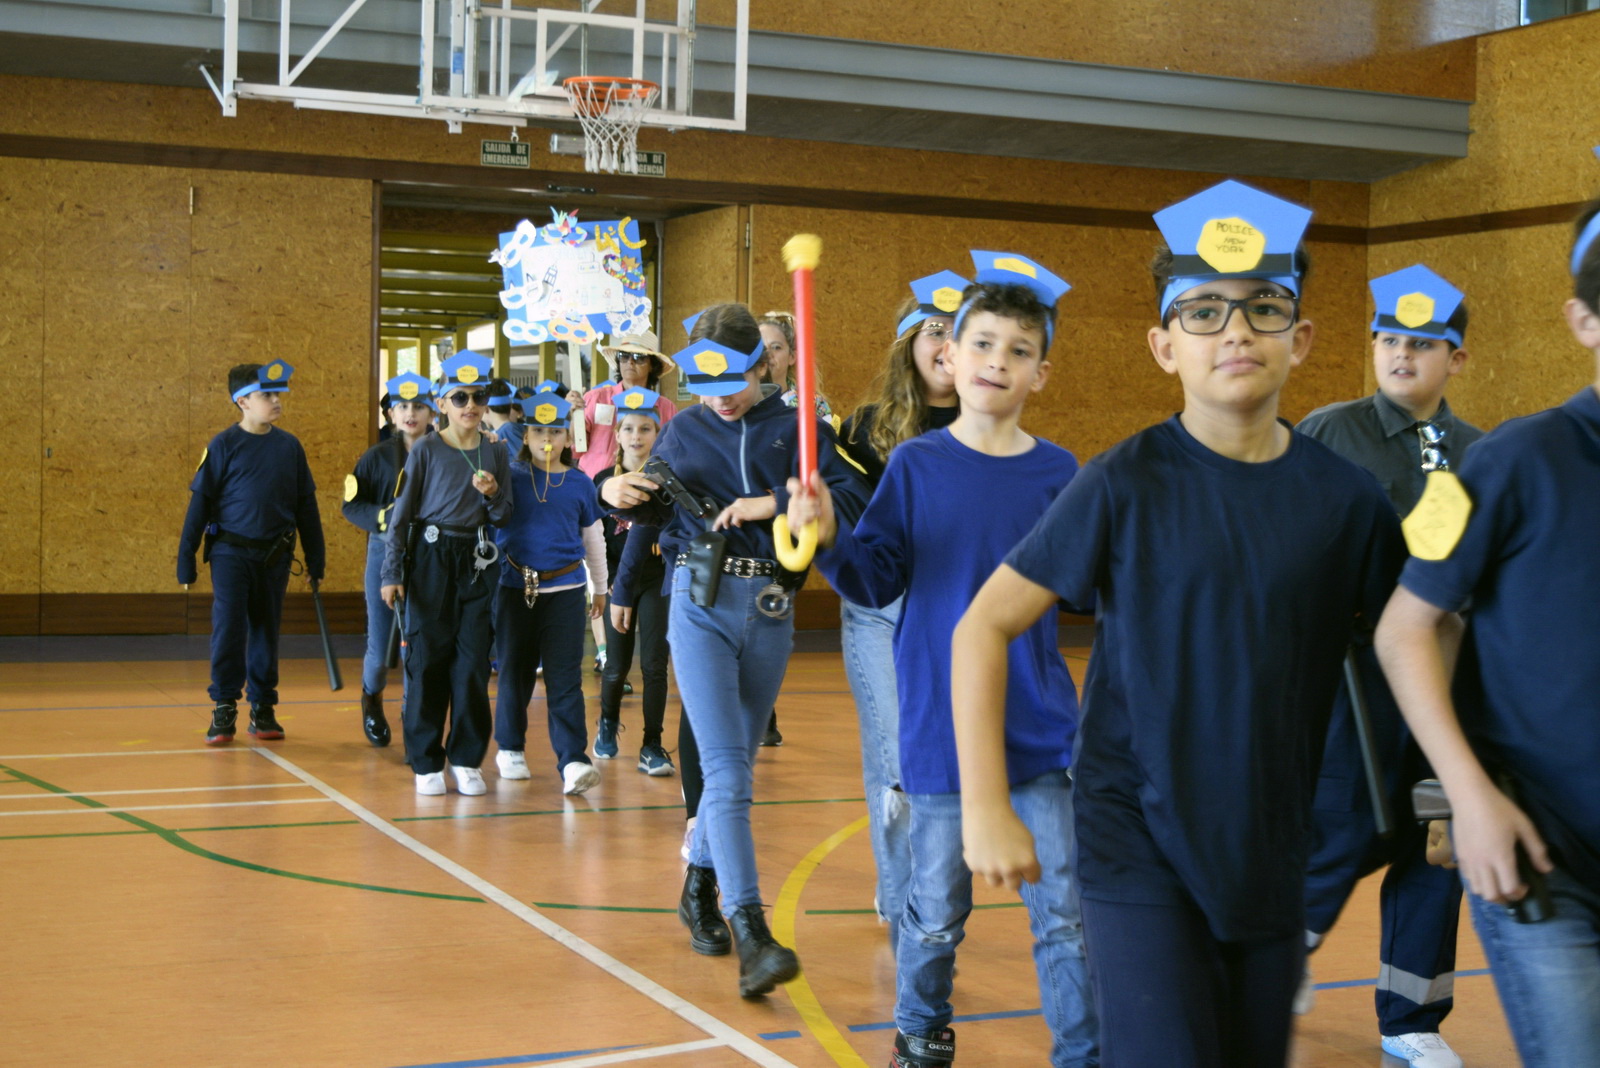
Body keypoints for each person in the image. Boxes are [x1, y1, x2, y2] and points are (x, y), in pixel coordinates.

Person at [951, 181, 1406, 1068]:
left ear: (1302, 338)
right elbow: (982, 627)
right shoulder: (1124, 481)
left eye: (1264, 308)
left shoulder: (1346, 501)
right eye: (1203, 312)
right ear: (1165, 346)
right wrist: (984, 806)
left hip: (1271, 842)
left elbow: (1412, 640)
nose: (1235, 331)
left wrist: (1454, 788)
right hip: (1134, 833)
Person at [790, 253, 1096, 1068]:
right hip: (937, 724)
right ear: (949, 356)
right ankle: (921, 1032)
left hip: (1038, 725)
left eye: (1019, 350)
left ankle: (1082, 1052)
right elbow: (874, 577)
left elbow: (1085, 587)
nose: (997, 361)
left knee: (1066, 916)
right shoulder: (916, 465)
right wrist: (830, 538)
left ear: (1041, 372)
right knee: (932, 914)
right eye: (982, 344)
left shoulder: (1060, 472)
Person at [1373, 192, 1600, 1068]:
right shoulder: (1508, 459)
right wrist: (1465, 795)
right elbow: (1408, 626)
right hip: (1543, 855)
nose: (1404, 353)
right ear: (1582, 322)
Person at [603, 304, 868, 998]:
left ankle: (697, 886)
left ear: (762, 366)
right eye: (704, 384)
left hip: (772, 606)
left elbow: (852, 497)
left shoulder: (800, 429)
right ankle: (750, 926)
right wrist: (613, 489)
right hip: (699, 602)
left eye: (733, 382)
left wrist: (774, 502)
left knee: (735, 768)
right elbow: (651, 505)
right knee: (725, 768)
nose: (719, 398)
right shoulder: (685, 428)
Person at [1294, 264, 1482, 1068]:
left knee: (1436, 843)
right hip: (1350, 676)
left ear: (1456, 358)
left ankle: (1413, 1016)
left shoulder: (1482, 452)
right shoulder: (1328, 432)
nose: (1402, 355)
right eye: (1389, 339)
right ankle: (1284, 945)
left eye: (1423, 343)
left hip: (1448, 674)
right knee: (1341, 821)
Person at [833, 268, 966, 956]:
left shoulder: (987, 423)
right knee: (896, 762)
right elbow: (862, 538)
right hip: (883, 610)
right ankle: (903, 899)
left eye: (962, 330)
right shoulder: (863, 430)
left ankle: (932, 896)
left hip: (960, 612)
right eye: (935, 330)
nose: (949, 343)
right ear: (908, 344)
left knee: (949, 761)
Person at [380, 351, 513, 796]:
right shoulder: (427, 450)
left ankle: (467, 759)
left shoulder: (496, 450)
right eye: (460, 397)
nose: (470, 405)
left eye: (478, 397)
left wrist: (492, 494)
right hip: (432, 558)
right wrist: (392, 571)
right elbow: (402, 515)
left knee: (473, 662)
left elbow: (505, 514)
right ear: (442, 404)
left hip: (477, 558)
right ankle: (426, 760)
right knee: (428, 660)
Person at [178, 360, 327, 746]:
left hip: (275, 555)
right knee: (230, 627)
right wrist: (186, 555)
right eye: (267, 395)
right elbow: (200, 503)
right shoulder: (223, 445)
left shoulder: (289, 447)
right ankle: (225, 704)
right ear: (242, 401)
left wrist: (316, 557)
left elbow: (306, 507)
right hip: (231, 552)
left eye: (278, 394)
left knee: (265, 629)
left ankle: (263, 706)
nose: (276, 401)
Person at [491, 390, 610, 794]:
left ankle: (573, 759)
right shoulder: (510, 477)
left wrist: (600, 586)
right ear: (525, 436)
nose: (547, 439)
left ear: (567, 438)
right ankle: (510, 747)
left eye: (556, 431)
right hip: (515, 589)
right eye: (539, 431)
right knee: (515, 671)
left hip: (566, 592)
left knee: (565, 677)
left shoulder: (580, 483)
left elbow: (593, 539)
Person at [754, 308, 835, 747]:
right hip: (748, 520)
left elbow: (823, 462)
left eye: (777, 347)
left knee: (773, 614)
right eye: (761, 348)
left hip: (789, 521)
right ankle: (757, 708)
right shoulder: (740, 399)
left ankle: (764, 703)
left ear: (791, 355)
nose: (768, 355)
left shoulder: (811, 405)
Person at [341, 371, 436, 747]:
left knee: (419, 644)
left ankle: (413, 716)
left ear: (432, 412)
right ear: (391, 414)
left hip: (431, 555)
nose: (411, 413)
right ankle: (371, 697)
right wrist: (383, 517)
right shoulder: (376, 457)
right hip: (384, 553)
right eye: (403, 406)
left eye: (419, 406)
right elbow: (351, 505)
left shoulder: (445, 453)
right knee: (380, 648)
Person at [594, 386, 674, 776]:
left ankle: (652, 743)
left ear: (657, 434)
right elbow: (595, 538)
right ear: (618, 434)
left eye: (646, 429)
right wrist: (608, 581)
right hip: (617, 585)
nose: (637, 436)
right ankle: (608, 722)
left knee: (655, 664)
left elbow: (675, 529)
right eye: (629, 428)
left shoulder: (668, 481)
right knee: (616, 666)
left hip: (656, 582)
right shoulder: (603, 481)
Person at [578, 332, 678, 479]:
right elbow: (575, 448)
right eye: (624, 356)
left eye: (639, 357)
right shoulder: (595, 399)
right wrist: (572, 416)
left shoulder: (666, 408)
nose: (630, 362)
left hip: (647, 484)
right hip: (595, 484)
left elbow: (672, 452)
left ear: (652, 365)